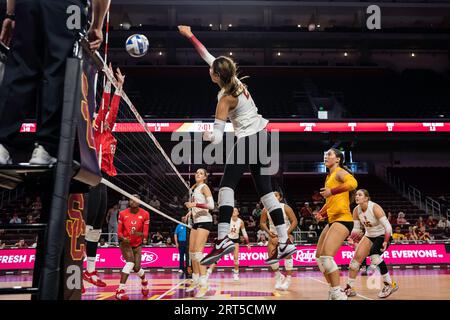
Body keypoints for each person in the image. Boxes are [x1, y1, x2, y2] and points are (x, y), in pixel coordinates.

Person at [178, 25, 295, 266]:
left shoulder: (225, 99)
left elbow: (218, 138)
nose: (209, 70)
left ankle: (223, 239)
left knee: (226, 187)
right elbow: (208, 56)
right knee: (267, 194)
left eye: (211, 71)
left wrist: (204, 136)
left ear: (216, 76)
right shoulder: (234, 80)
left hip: (250, 138)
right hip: (263, 136)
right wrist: (190, 36)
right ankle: (285, 242)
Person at [0, 0, 110, 165]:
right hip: (66, 5)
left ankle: (2, 145)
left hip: (27, 4)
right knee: (59, 72)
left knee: (20, 70)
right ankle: (46, 148)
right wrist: (97, 25)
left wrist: (10, 14)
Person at [83, 66, 125, 288]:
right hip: (92, 179)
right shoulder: (98, 129)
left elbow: (114, 110)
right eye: (105, 117)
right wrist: (109, 84)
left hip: (104, 181)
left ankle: (90, 270)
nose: (109, 117)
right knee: (88, 227)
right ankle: (78, 267)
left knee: (97, 228)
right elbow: (105, 107)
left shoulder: (109, 133)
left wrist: (120, 87)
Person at [314, 148, 358, 300]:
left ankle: (337, 293)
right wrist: (321, 212)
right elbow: (330, 201)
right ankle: (334, 291)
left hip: (343, 219)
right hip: (332, 220)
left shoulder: (339, 172)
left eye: (330, 155)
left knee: (326, 257)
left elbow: (353, 183)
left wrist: (331, 191)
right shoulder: (329, 176)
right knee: (319, 258)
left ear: (338, 159)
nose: (326, 156)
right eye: (325, 154)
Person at [344, 189, 398, 299]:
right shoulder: (356, 210)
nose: (357, 196)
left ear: (366, 198)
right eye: (356, 195)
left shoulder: (375, 208)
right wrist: (352, 238)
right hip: (369, 235)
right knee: (354, 262)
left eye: (360, 195)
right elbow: (356, 229)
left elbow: (388, 227)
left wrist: (386, 241)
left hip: (383, 235)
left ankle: (390, 284)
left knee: (375, 256)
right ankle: (350, 288)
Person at [183, 168, 215, 298]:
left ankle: (204, 283)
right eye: (197, 173)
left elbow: (212, 205)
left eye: (201, 173)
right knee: (191, 253)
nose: (198, 174)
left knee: (197, 253)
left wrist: (194, 204)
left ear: (205, 177)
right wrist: (190, 212)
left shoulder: (204, 187)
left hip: (205, 221)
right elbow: (196, 206)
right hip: (196, 221)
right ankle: (195, 280)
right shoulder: (194, 188)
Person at [260, 190, 298, 291]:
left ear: (280, 198)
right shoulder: (266, 209)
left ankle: (288, 279)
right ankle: (278, 277)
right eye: (272, 196)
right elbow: (262, 223)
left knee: (288, 257)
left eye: (276, 195)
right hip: (273, 236)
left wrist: (287, 233)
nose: (274, 197)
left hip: (285, 235)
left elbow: (294, 221)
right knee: (272, 258)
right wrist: (268, 232)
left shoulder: (285, 207)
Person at [115, 195, 150, 300]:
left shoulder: (145, 214)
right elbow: (119, 232)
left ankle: (144, 281)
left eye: (134, 200)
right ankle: (120, 290)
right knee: (130, 262)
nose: (132, 201)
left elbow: (145, 233)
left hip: (137, 243)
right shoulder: (122, 213)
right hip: (125, 242)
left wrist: (138, 234)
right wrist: (123, 238)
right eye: (130, 199)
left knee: (137, 268)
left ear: (139, 202)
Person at [207, 208, 251, 281]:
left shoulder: (241, 222)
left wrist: (248, 243)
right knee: (219, 256)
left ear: (238, 213)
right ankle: (209, 270)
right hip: (227, 239)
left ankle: (236, 274)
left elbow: (244, 233)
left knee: (236, 258)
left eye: (235, 211)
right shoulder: (227, 220)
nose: (234, 212)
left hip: (235, 240)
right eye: (232, 211)